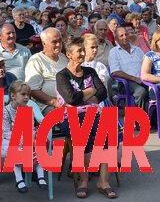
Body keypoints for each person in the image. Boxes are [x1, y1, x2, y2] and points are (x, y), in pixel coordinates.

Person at [55, 38, 116, 199]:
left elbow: (102, 92)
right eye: (79, 51)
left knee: (108, 132)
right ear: (69, 54)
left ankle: (103, 182)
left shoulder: (90, 71)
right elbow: (71, 99)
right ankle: (83, 180)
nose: (83, 53)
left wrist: (90, 97)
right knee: (82, 134)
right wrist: (90, 91)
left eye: (83, 50)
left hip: (93, 112)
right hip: (70, 116)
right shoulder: (62, 76)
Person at [2, 81, 48, 194]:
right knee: (15, 150)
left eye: (28, 95)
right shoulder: (5, 111)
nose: (27, 97)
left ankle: (40, 176)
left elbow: (31, 128)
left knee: (38, 145)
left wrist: (30, 137)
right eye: (23, 94)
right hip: (8, 139)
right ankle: (19, 180)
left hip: (25, 138)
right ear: (13, 96)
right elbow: (5, 131)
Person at [24, 28, 68, 114]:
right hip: (47, 106)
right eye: (54, 42)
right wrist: (55, 102)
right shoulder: (36, 60)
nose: (58, 44)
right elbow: (33, 90)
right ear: (44, 43)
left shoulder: (63, 57)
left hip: (69, 102)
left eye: (60, 40)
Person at [109, 26, 148, 111]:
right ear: (116, 39)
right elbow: (115, 72)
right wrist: (134, 78)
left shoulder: (137, 50)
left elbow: (145, 64)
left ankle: (154, 118)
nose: (125, 37)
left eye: (126, 34)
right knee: (141, 92)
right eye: (121, 36)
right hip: (125, 82)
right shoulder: (114, 52)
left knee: (157, 89)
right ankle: (139, 119)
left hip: (142, 79)